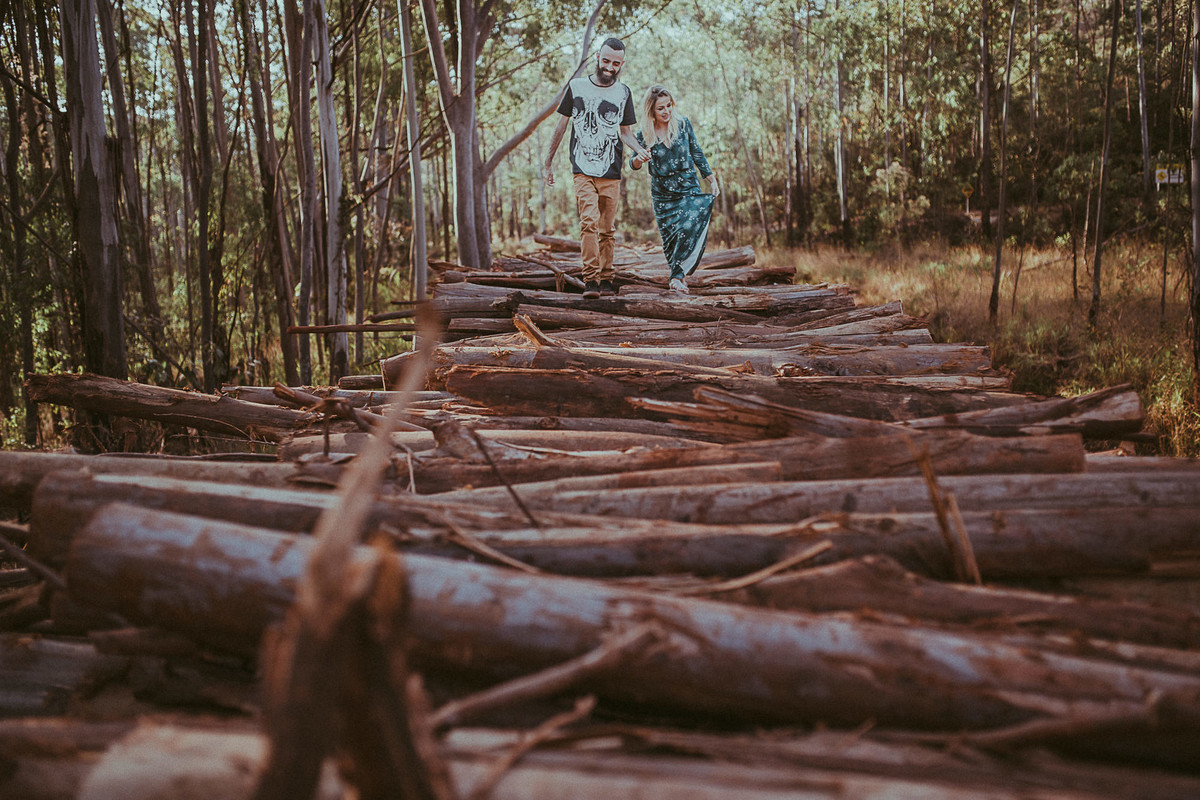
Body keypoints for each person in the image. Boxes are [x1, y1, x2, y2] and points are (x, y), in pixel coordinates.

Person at [545, 38, 651, 299]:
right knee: (588, 222)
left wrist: (638, 149)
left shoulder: (623, 93)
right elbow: (561, 126)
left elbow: (625, 133)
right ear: (597, 57)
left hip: (611, 172)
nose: (609, 67)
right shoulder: (576, 87)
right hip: (581, 168)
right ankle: (590, 280)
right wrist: (547, 163)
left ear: (621, 64)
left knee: (607, 229)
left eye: (615, 63)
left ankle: (607, 278)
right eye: (605, 61)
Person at [629, 85, 720, 294]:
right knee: (670, 239)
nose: (666, 111)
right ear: (651, 110)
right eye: (661, 108)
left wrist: (711, 178)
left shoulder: (683, 124)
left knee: (688, 227)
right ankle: (677, 275)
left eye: (669, 105)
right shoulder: (643, 134)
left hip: (688, 186)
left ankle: (677, 276)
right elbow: (631, 165)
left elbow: (696, 152)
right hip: (663, 195)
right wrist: (638, 159)